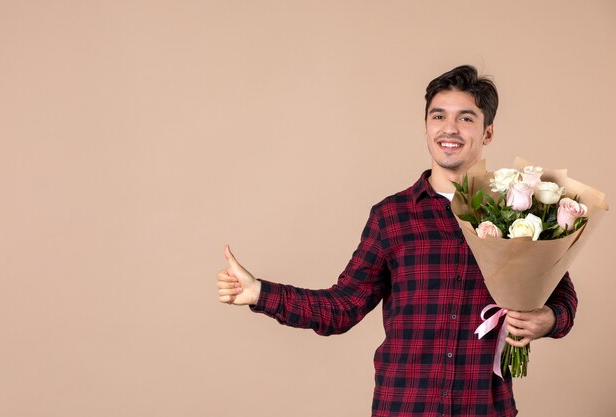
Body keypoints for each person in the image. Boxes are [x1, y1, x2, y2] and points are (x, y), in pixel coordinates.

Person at [216, 65, 577, 417]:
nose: (449, 128)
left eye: (466, 118)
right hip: (404, 407)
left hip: (485, 407)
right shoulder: (391, 217)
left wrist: (549, 319)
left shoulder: (520, 214)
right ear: (425, 127)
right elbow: (343, 307)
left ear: (487, 133)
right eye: (438, 117)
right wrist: (261, 293)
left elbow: (561, 295)